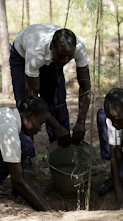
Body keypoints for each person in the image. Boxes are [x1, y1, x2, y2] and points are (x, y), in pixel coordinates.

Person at [9, 23, 93, 173]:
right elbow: (32, 101)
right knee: (24, 109)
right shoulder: (36, 53)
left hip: (49, 60)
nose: (65, 60)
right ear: (51, 48)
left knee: (57, 104)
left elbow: (85, 87)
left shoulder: (77, 48)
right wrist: (56, 126)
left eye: (70, 56)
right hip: (22, 57)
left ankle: (62, 154)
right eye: (61, 56)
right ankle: (26, 158)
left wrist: (81, 121)